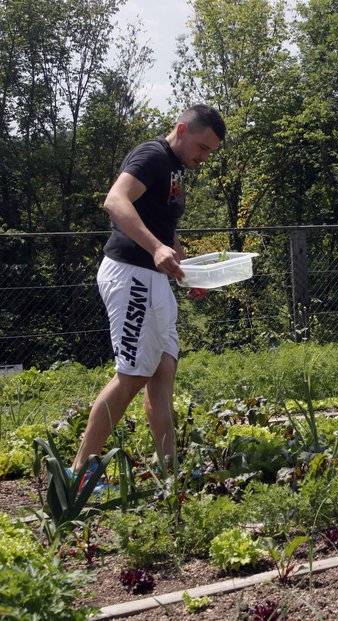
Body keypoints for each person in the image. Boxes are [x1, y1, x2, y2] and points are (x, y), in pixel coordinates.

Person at [70, 104, 226, 484]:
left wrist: (185, 271)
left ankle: (169, 469)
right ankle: (80, 473)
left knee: (163, 369)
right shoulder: (153, 155)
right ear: (182, 129)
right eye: (203, 147)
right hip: (131, 274)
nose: (204, 157)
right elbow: (116, 201)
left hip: (152, 277)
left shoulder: (174, 168)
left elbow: (160, 224)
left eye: (211, 152)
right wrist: (156, 249)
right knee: (132, 374)